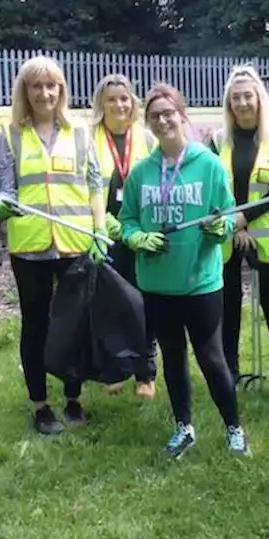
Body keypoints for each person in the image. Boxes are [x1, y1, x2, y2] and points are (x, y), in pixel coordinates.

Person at [118, 81, 250, 458]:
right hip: (158, 284)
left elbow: (228, 216)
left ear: (182, 115)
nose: (162, 121)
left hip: (200, 282)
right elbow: (126, 221)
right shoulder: (141, 172)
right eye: (155, 116)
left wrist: (219, 228)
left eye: (168, 113)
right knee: (172, 357)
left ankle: (234, 429)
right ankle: (184, 427)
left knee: (211, 358)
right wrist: (137, 238)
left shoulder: (208, 165)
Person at [0, 56, 108, 435]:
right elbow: (7, 190)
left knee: (75, 325)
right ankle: (40, 406)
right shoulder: (10, 136)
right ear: (25, 91)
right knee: (35, 325)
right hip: (30, 247)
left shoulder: (81, 133)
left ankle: (74, 398)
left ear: (61, 90)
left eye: (51, 85)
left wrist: (99, 231)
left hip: (74, 242)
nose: (44, 93)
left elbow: (94, 186)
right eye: (36, 86)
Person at [208, 66, 269, 383]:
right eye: (236, 97)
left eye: (248, 96)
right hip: (229, 235)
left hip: (265, 234)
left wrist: (243, 219)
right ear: (228, 103)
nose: (243, 102)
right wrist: (235, 224)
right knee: (229, 302)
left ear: (259, 98)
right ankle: (229, 366)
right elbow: (212, 187)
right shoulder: (217, 141)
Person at [90, 74, 159, 399]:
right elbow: (83, 186)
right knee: (108, 303)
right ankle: (114, 369)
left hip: (141, 233)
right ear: (100, 104)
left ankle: (146, 373)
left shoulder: (146, 137)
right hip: (104, 233)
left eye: (125, 98)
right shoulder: (89, 138)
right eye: (112, 99)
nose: (119, 104)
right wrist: (101, 221)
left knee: (144, 303)